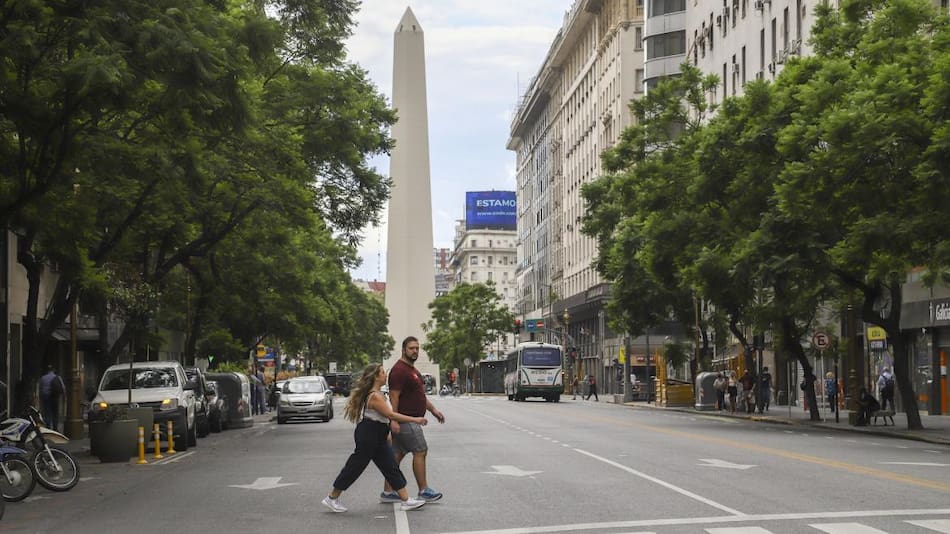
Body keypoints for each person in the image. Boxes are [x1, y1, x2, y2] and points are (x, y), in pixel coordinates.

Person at [322, 364, 427, 513]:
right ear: (376, 377)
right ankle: (332, 498)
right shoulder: (375, 396)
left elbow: (384, 419)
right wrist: (415, 419)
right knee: (355, 466)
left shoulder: (378, 393)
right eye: (383, 373)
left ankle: (406, 500)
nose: (386, 375)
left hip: (377, 433)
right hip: (369, 434)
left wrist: (386, 434)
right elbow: (390, 415)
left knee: (390, 466)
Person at [381, 337, 446, 504]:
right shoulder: (399, 370)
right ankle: (423, 490)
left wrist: (433, 410)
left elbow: (420, 396)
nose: (415, 351)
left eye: (417, 348)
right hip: (407, 420)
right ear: (403, 350)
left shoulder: (412, 370)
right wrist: (393, 420)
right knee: (420, 451)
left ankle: (388, 492)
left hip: (409, 420)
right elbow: (394, 397)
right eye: (411, 348)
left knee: (396, 455)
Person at [39, 366, 66, 431]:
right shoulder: (58, 377)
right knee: (55, 413)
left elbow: (40, 388)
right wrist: (64, 397)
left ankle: (48, 427)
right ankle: (55, 427)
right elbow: (63, 387)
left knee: (47, 413)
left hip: (46, 397)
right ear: (53, 370)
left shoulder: (43, 378)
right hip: (54, 397)